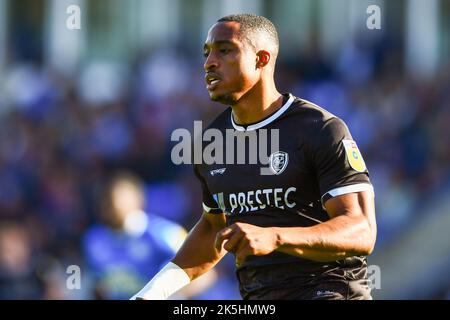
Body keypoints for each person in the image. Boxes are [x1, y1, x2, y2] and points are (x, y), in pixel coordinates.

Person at [131, 13, 376, 300]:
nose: (209, 63)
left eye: (225, 51)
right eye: (207, 52)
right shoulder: (212, 142)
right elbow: (214, 228)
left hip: (328, 291)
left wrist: (274, 236)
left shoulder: (320, 129)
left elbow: (361, 229)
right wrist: (151, 294)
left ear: (261, 59)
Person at [83, 171, 216, 299]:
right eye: (104, 200)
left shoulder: (164, 233)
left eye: (114, 199)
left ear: (137, 199)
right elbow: (96, 282)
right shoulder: (94, 239)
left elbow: (206, 274)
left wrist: (167, 295)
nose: (109, 206)